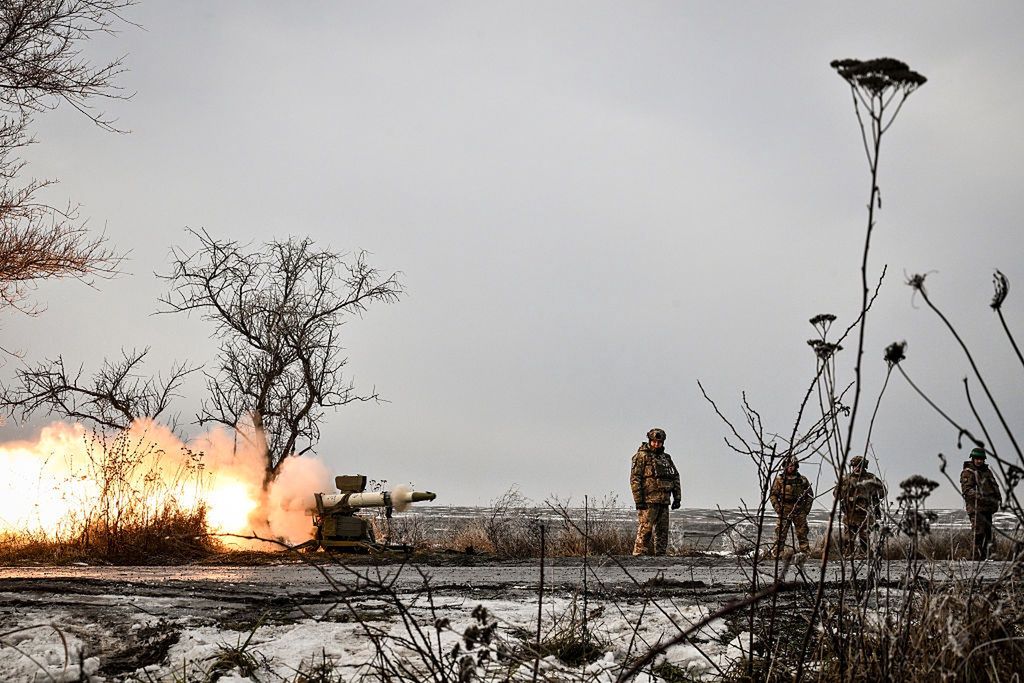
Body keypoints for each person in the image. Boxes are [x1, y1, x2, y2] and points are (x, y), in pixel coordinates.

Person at [630, 427, 681, 556]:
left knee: (662, 531)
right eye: (654, 442)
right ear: (650, 441)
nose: (656, 444)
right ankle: (638, 555)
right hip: (648, 501)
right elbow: (635, 478)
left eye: (659, 442)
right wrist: (638, 500)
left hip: (664, 500)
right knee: (645, 530)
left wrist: (677, 498)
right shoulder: (641, 456)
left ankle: (660, 556)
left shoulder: (666, 458)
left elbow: (675, 476)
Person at [837, 455, 886, 555]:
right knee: (848, 539)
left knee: (864, 538)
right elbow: (836, 494)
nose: (857, 468)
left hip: (866, 514)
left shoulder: (870, 478)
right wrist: (844, 490)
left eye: (859, 466)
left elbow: (883, 492)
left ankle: (864, 557)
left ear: (864, 467)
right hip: (850, 514)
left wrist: (871, 493)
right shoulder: (846, 479)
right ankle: (848, 556)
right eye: (854, 466)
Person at [960, 447, 1001, 560]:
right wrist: (983, 498)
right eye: (977, 459)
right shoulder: (968, 472)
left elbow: (994, 487)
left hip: (987, 508)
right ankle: (975, 559)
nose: (979, 461)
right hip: (976, 508)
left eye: (981, 459)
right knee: (978, 534)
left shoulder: (987, 472)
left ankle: (987, 558)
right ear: (973, 459)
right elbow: (967, 491)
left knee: (988, 535)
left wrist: (997, 499)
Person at [769, 458, 813, 556]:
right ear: (784, 466)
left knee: (802, 533)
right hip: (784, 509)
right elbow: (773, 495)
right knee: (780, 533)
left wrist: (806, 510)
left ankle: (805, 553)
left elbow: (810, 496)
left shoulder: (802, 480)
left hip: (799, 509)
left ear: (796, 466)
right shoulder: (779, 480)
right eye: (788, 465)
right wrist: (777, 507)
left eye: (792, 465)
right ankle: (777, 554)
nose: (790, 467)